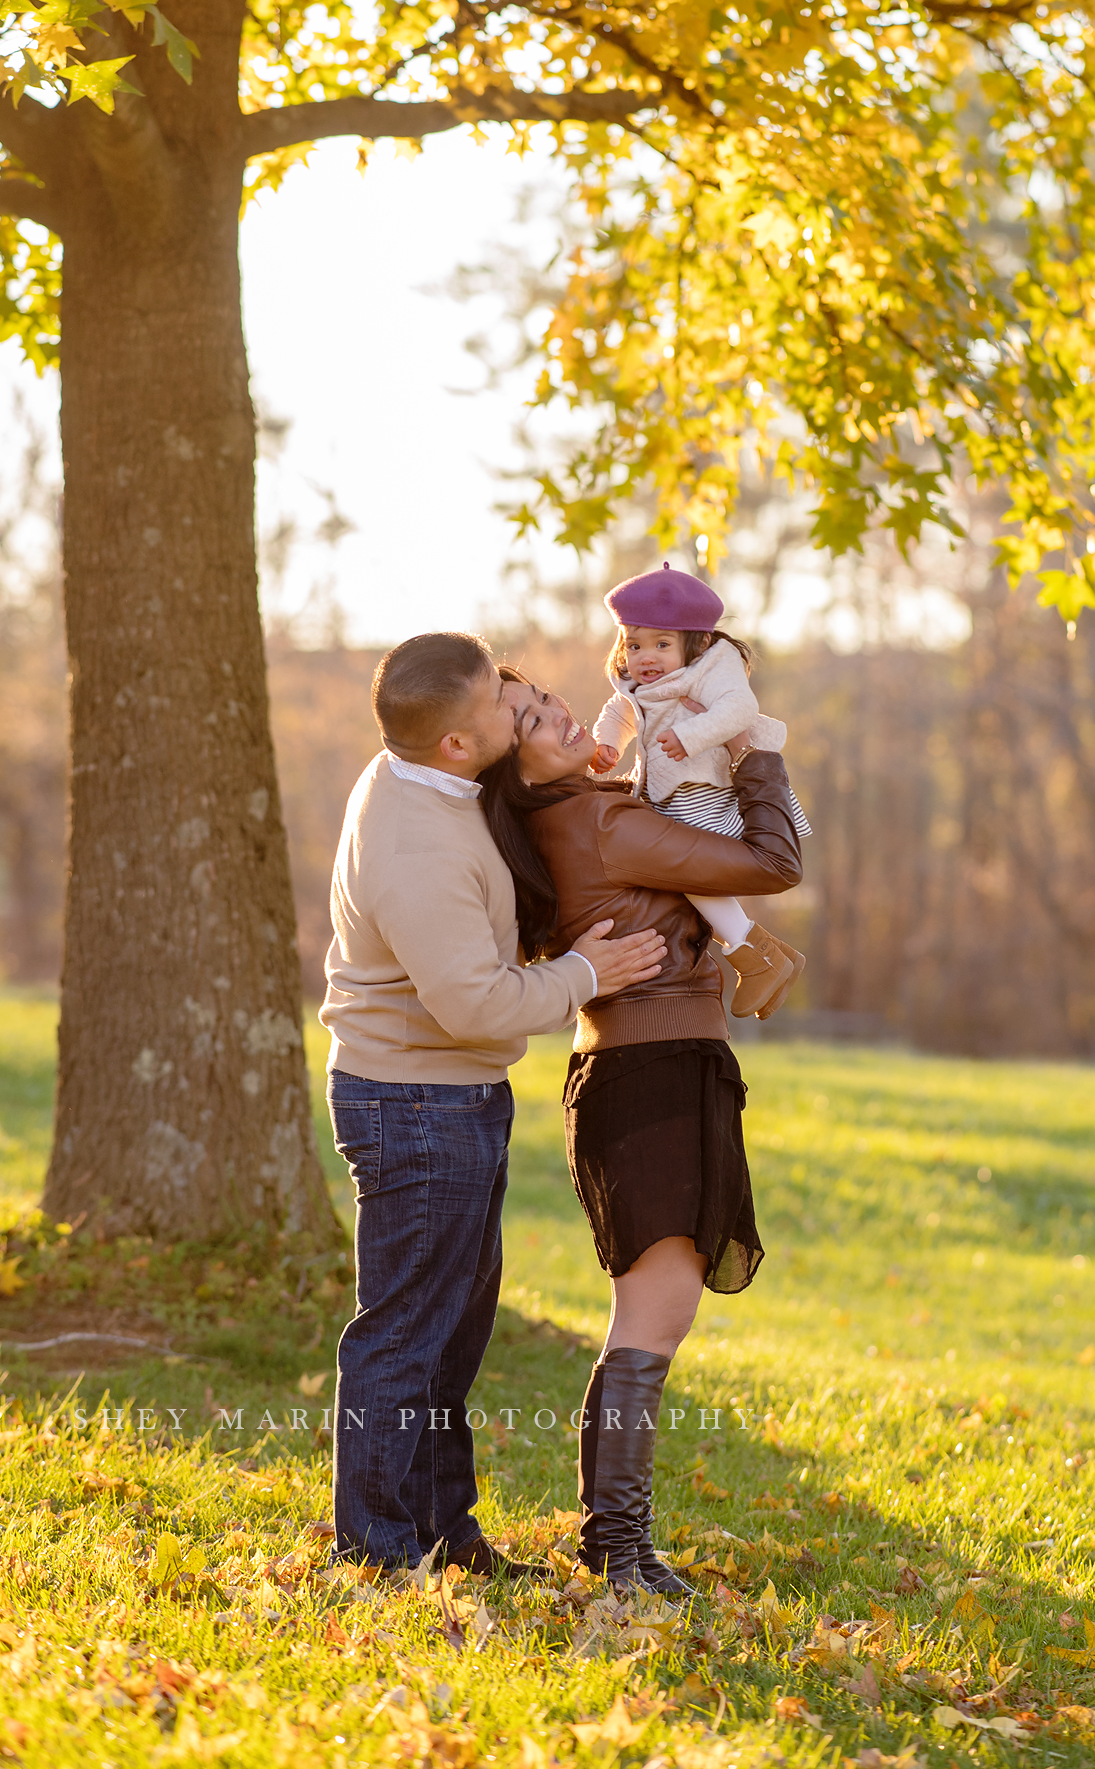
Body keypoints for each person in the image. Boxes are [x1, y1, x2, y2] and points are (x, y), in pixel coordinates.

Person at [320, 632, 666, 1577]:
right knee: (404, 1335)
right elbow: (472, 1003)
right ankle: (380, 1549)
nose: (525, 712)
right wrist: (586, 972)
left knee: (453, 1334)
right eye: (507, 713)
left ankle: (444, 1531)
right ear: (458, 747)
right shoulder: (419, 847)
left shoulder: (433, 776)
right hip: (417, 1105)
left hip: (452, 1097)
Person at [480, 674, 802, 1596]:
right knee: (651, 1325)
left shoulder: (581, 813)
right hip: (652, 1078)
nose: (561, 711)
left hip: (653, 1070)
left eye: (545, 695)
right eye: (536, 721)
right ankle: (619, 1551)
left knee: (654, 1319)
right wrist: (754, 753)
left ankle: (617, 1543)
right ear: (518, 766)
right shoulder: (599, 824)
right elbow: (772, 864)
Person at [591, 563, 808, 1021]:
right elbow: (619, 712)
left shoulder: (713, 667)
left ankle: (755, 954)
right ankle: (761, 955)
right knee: (683, 874)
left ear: (698, 642)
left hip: (704, 792)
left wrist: (691, 736)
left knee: (689, 873)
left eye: (662, 644)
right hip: (668, 795)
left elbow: (739, 709)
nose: (645, 657)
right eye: (634, 645)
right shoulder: (639, 686)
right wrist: (607, 743)